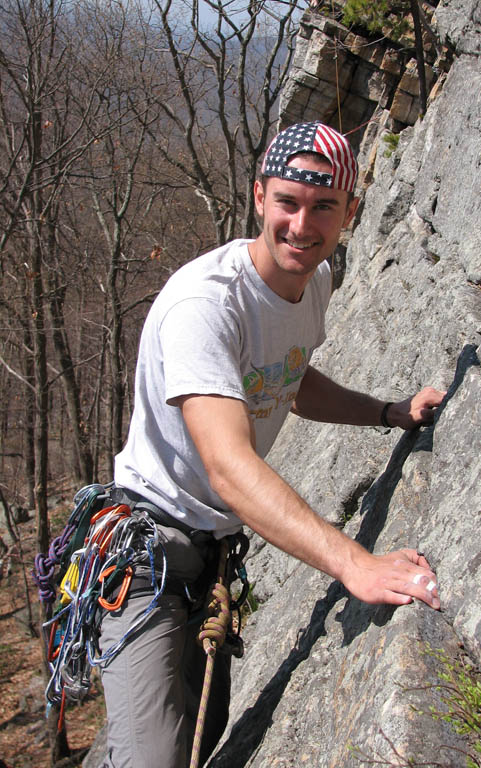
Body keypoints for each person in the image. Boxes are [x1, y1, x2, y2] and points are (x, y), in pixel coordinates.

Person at [100, 121, 445, 768]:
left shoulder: (311, 283)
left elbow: (289, 377)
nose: (301, 225)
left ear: (349, 212)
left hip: (214, 553)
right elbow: (229, 468)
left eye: (323, 207)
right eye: (287, 202)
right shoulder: (205, 307)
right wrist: (354, 564)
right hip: (146, 554)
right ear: (259, 196)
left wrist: (386, 413)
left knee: (209, 732)